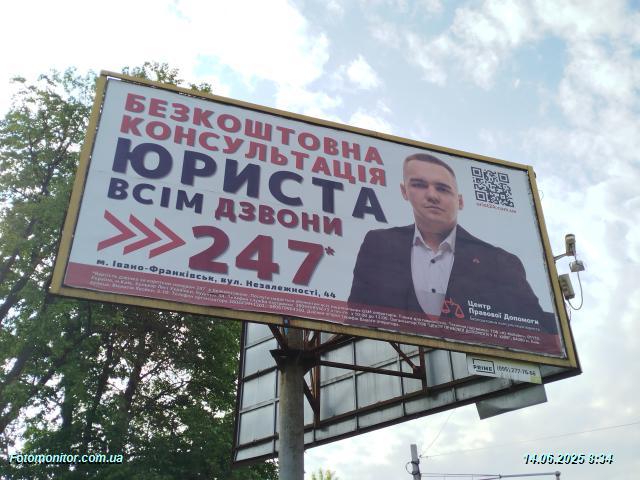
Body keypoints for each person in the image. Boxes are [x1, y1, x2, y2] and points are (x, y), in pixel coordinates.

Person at [348, 153, 557, 333]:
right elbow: (355, 318)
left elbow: (541, 333)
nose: (432, 196)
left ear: (460, 201)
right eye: (419, 185)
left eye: (442, 189)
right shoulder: (379, 244)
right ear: (404, 191)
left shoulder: (500, 262)